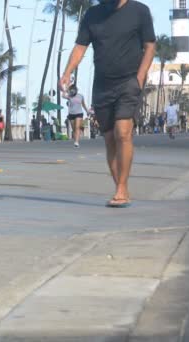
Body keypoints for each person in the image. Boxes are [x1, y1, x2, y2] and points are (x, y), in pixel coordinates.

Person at [60, 0, 156, 208]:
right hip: (102, 85)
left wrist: (140, 77)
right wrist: (67, 72)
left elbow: (149, 46)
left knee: (123, 132)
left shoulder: (139, 11)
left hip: (129, 82)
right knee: (110, 138)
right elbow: (80, 47)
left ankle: (121, 189)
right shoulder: (93, 14)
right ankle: (121, 187)